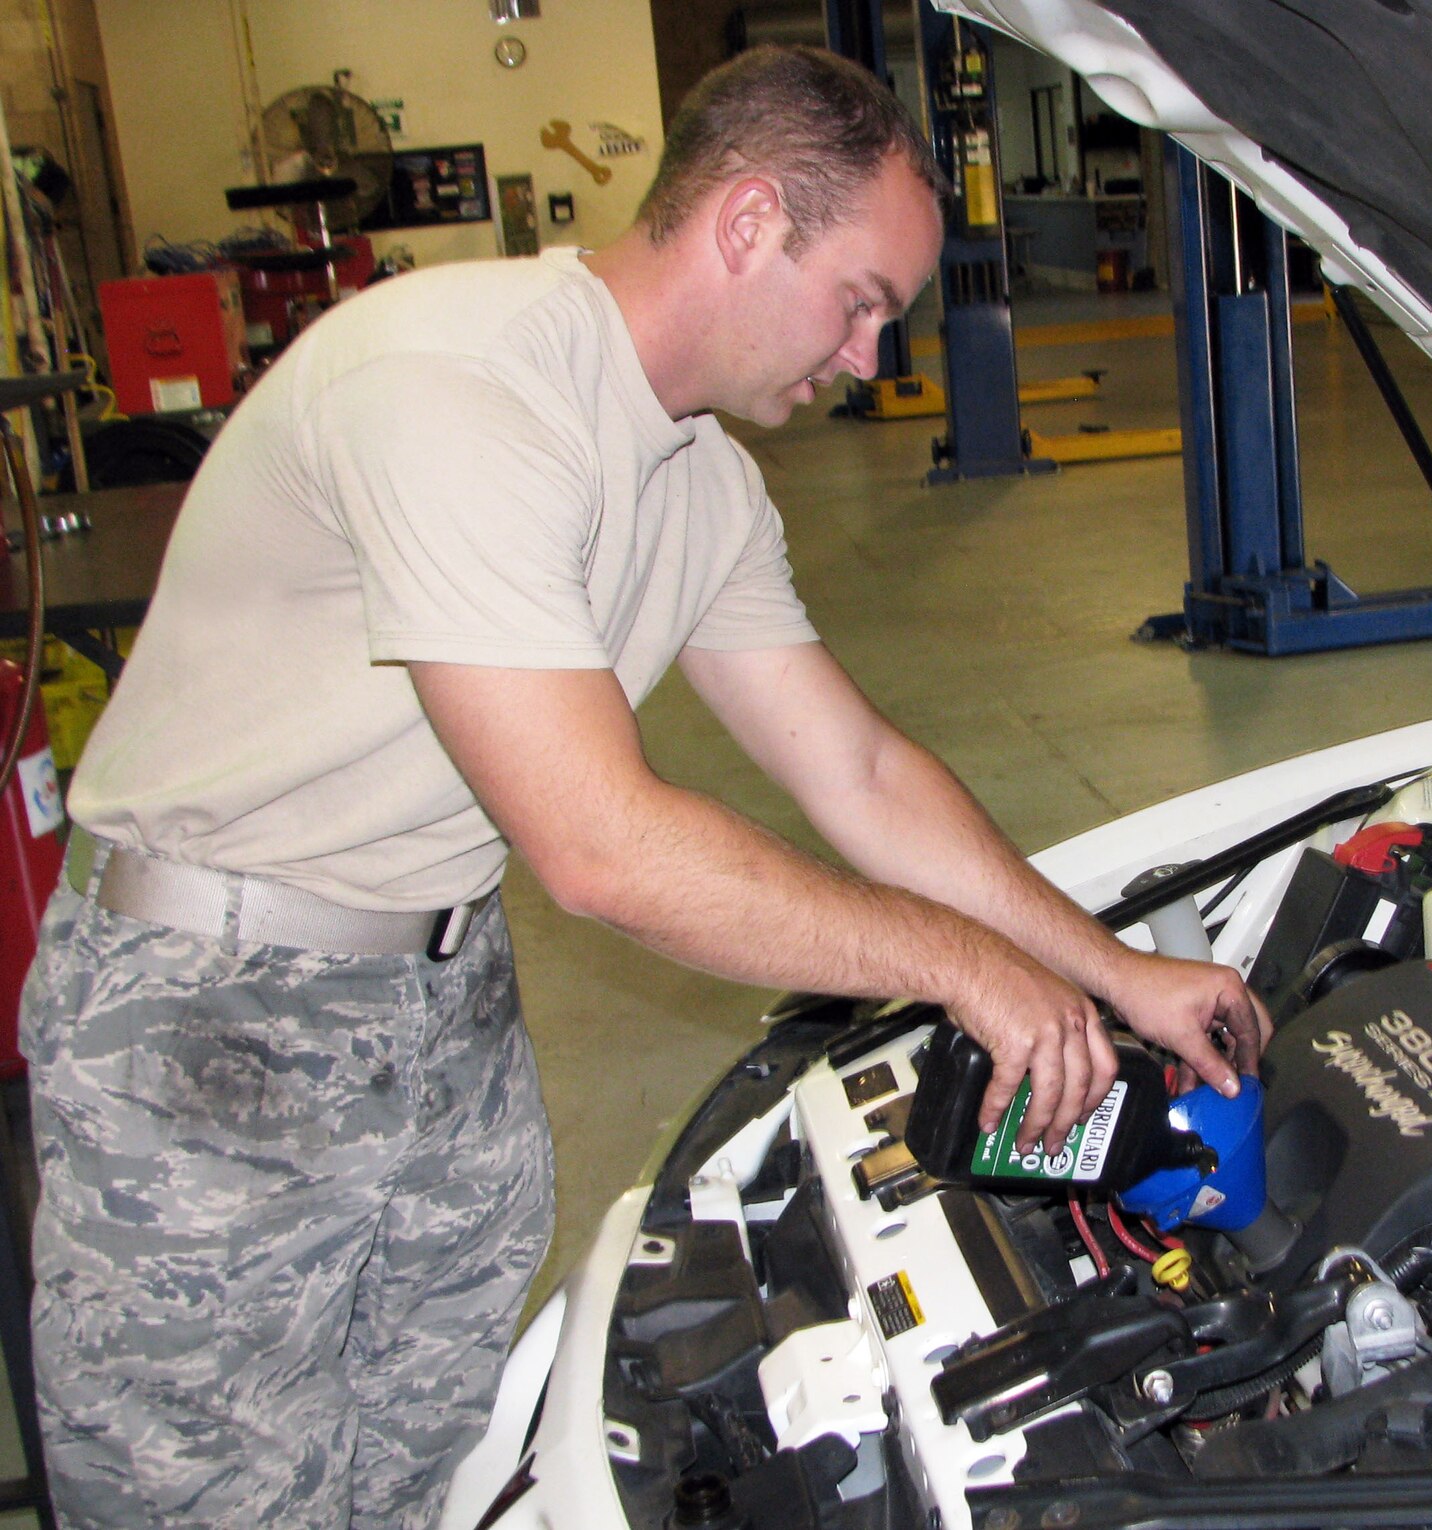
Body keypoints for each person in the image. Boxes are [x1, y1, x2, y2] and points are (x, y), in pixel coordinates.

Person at [18, 44, 1269, 1528]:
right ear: (748, 225)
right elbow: (601, 847)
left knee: (424, 1480)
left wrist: (1113, 969)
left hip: (438, 1008)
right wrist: (961, 970)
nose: (871, 358)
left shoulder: (699, 478)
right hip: (215, 1027)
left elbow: (859, 769)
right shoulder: (460, 392)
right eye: (862, 301)